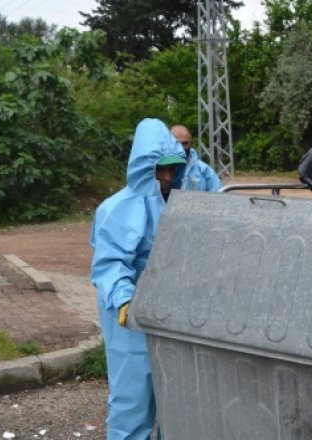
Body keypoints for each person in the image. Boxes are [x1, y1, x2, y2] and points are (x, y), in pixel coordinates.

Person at [89, 118, 187, 440]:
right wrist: (124, 300)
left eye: (172, 169)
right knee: (133, 398)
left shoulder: (179, 204)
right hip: (129, 315)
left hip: (171, 311)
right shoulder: (116, 209)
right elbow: (111, 264)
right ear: (145, 166)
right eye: (161, 170)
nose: (167, 177)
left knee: (177, 401)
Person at [170, 124, 223, 192]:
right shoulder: (158, 168)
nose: (181, 148)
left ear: (191, 143)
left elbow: (220, 197)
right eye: (176, 143)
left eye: (184, 143)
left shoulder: (203, 170)